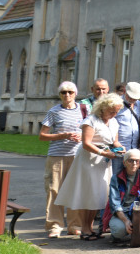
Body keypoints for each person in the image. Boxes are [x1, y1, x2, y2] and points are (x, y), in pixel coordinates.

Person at [56, 93, 125, 240]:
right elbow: (86, 143)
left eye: (117, 111)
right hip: (89, 160)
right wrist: (103, 153)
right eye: (112, 111)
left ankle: (90, 228)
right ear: (103, 108)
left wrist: (120, 148)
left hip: (104, 162)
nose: (114, 114)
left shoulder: (113, 122)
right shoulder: (91, 121)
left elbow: (115, 141)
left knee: (99, 195)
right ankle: (85, 229)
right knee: (88, 194)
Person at [39, 81, 84, 238]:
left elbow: (91, 131)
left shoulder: (84, 110)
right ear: (59, 95)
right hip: (57, 155)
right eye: (63, 92)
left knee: (74, 190)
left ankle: (75, 225)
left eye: (70, 92)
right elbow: (42, 135)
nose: (67, 95)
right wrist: (62, 136)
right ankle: (55, 225)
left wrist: (82, 136)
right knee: (54, 190)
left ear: (75, 94)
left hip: (76, 155)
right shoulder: (54, 111)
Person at [105, 149, 140, 243]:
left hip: (137, 209)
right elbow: (115, 203)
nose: (134, 163)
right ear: (124, 162)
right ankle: (117, 233)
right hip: (121, 212)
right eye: (130, 160)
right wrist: (125, 220)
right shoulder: (116, 177)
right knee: (119, 231)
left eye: (137, 161)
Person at [116, 82, 140, 174]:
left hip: (134, 150)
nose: (132, 99)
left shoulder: (139, 104)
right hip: (119, 149)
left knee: (131, 178)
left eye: (135, 98)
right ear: (124, 91)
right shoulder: (116, 103)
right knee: (116, 176)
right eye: (130, 97)